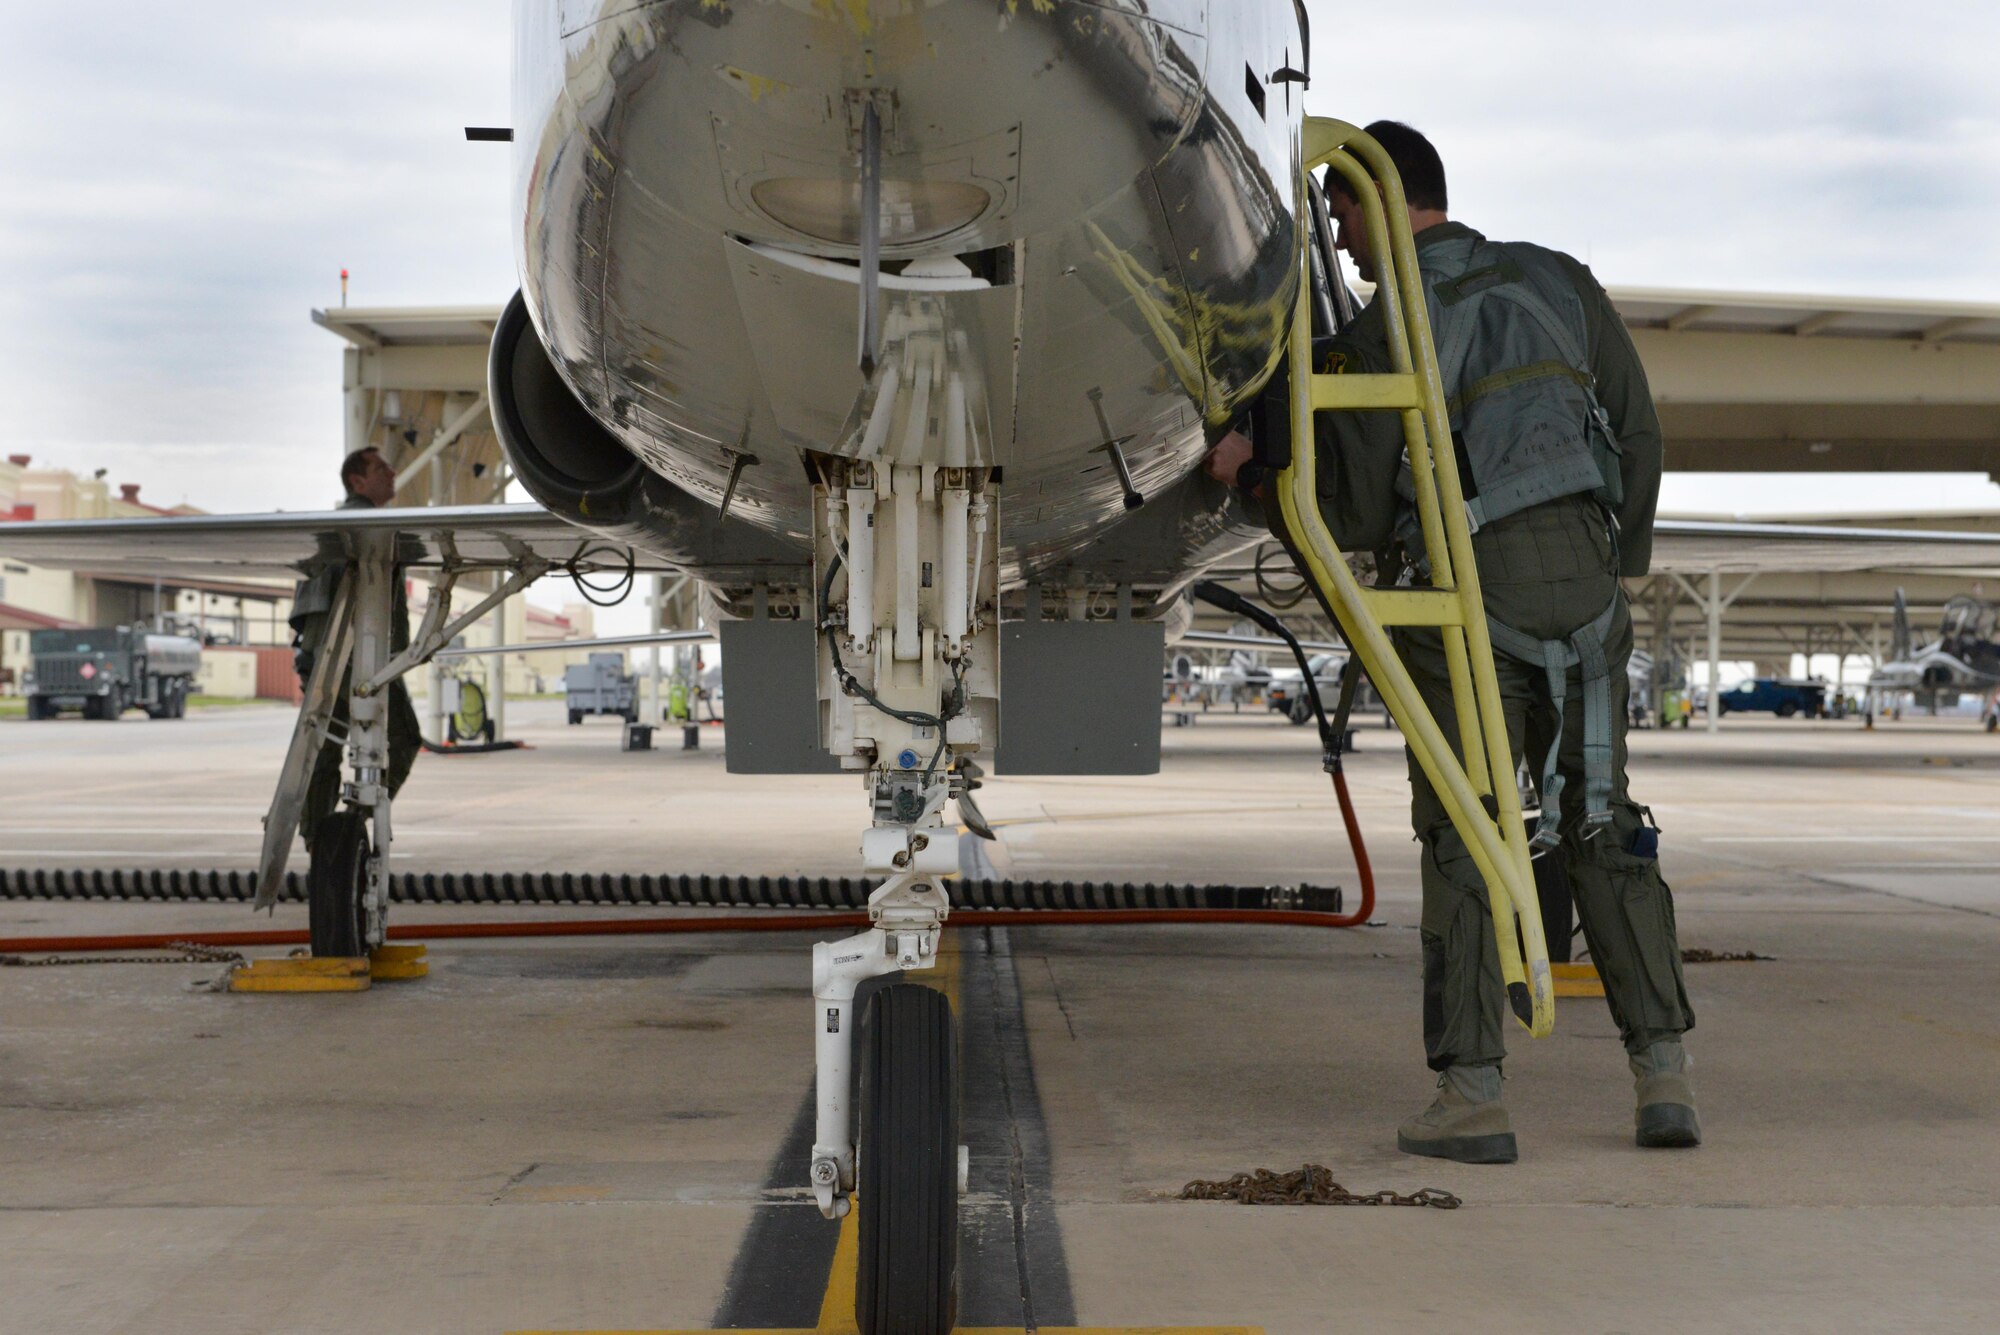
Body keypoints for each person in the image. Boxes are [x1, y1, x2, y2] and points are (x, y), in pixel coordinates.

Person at [1208, 121, 1697, 1162]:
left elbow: (1334, 511)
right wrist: (1618, 567)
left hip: (1465, 597)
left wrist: (1243, 474)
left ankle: (1472, 1097)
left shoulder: (1384, 331)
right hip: (1586, 586)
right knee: (1601, 822)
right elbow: (1638, 428)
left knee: (1470, 831)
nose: (1337, 238)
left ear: (1379, 201)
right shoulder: (1557, 279)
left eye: (1340, 211)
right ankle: (1663, 1082)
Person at [290, 447, 422, 854]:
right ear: (357, 482)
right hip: (358, 661)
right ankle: (347, 828)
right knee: (402, 738)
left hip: (336, 658)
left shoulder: (343, 528)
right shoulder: (359, 526)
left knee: (325, 747)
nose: (392, 471)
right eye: (381, 467)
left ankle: (322, 839)